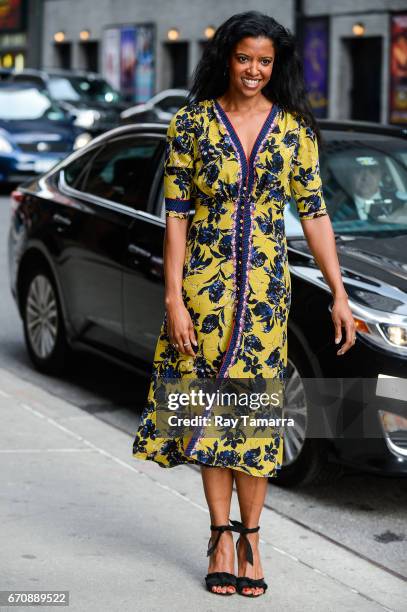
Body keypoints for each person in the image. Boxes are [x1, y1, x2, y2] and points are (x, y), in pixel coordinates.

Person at [132, 11, 355, 598]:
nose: (254, 70)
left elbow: (315, 217)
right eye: (243, 58)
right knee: (209, 413)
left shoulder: (294, 130)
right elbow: (174, 219)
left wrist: (339, 292)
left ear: (274, 66)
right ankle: (219, 536)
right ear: (225, 58)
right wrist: (174, 298)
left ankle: (252, 537)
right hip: (203, 296)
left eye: (264, 61)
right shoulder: (192, 125)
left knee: (254, 421)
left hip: (263, 298)